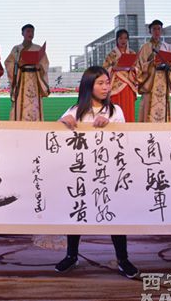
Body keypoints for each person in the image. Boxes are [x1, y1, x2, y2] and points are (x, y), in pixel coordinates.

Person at [54, 66, 139, 279]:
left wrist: (109, 125)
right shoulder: (75, 110)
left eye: (107, 83)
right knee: (77, 212)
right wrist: (63, 123)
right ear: (88, 86)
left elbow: (124, 139)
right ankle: (71, 255)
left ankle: (123, 259)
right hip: (81, 173)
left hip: (108, 172)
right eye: (100, 83)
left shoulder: (115, 111)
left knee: (115, 215)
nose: (105, 87)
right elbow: (55, 134)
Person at [4, 24, 50, 121]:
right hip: (21, 80)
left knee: (34, 106)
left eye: (32, 31)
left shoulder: (38, 48)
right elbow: (8, 63)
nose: (30, 33)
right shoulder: (16, 49)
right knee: (20, 105)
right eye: (28, 31)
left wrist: (40, 67)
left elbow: (45, 64)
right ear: (22, 33)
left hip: (35, 81)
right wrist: (18, 64)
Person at [135, 19, 171, 123]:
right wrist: (151, 64)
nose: (157, 31)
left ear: (161, 31)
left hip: (163, 80)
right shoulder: (145, 47)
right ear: (150, 31)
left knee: (163, 105)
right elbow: (139, 66)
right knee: (148, 106)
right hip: (150, 81)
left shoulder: (167, 46)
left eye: (159, 29)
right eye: (154, 29)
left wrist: (170, 64)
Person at [102, 29, 138, 122]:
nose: (123, 40)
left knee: (128, 109)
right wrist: (113, 68)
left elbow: (138, 68)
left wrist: (134, 69)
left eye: (125, 38)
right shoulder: (111, 54)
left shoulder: (132, 53)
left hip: (129, 85)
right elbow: (104, 69)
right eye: (121, 38)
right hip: (115, 85)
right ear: (117, 39)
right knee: (116, 108)